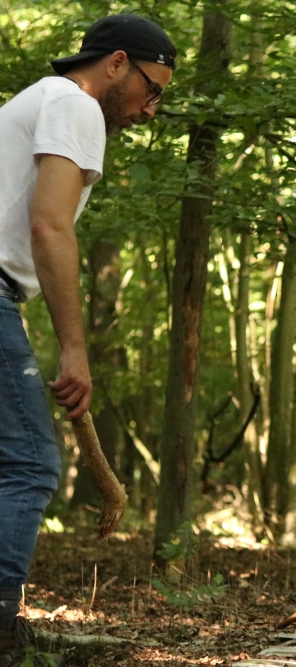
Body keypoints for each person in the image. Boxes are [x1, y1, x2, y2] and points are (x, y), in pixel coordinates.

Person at [0, 14, 175, 666]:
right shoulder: (73, 105)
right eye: (150, 89)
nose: (150, 109)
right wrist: (74, 347)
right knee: (29, 465)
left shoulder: (38, 102)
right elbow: (50, 229)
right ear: (116, 62)